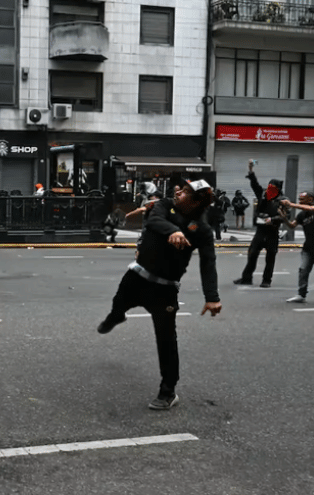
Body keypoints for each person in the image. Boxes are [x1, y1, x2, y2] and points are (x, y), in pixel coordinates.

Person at [97, 180, 222, 410]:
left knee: (166, 340)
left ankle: (168, 391)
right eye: (181, 188)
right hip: (137, 276)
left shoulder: (202, 230)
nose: (178, 191)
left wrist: (212, 297)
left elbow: (208, 263)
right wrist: (173, 231)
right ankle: (116, 316)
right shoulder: (166, 205)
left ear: (196, 201)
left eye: (185, 192)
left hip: (164, 289)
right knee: (117, 306)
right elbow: (155, 220)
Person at [233, 160, 287, 288]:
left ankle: (266, 280)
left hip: (272, 232)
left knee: (270, 257)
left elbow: (285, 216)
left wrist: (272, 220)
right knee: (252, 253)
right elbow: (255, 184)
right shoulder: (263, 195)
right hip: (261, 230)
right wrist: (250, 169)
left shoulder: (283, 201)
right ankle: (246, 278)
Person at [280, 191, 314, 303]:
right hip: (308, 248)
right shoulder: (301, 215)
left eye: (302, 199)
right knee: (303, 270)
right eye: (299, 199)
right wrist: (284, 218)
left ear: (310, 199)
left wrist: (291, 204)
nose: (300, 202)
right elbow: (292, 226)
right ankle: (301, 294)